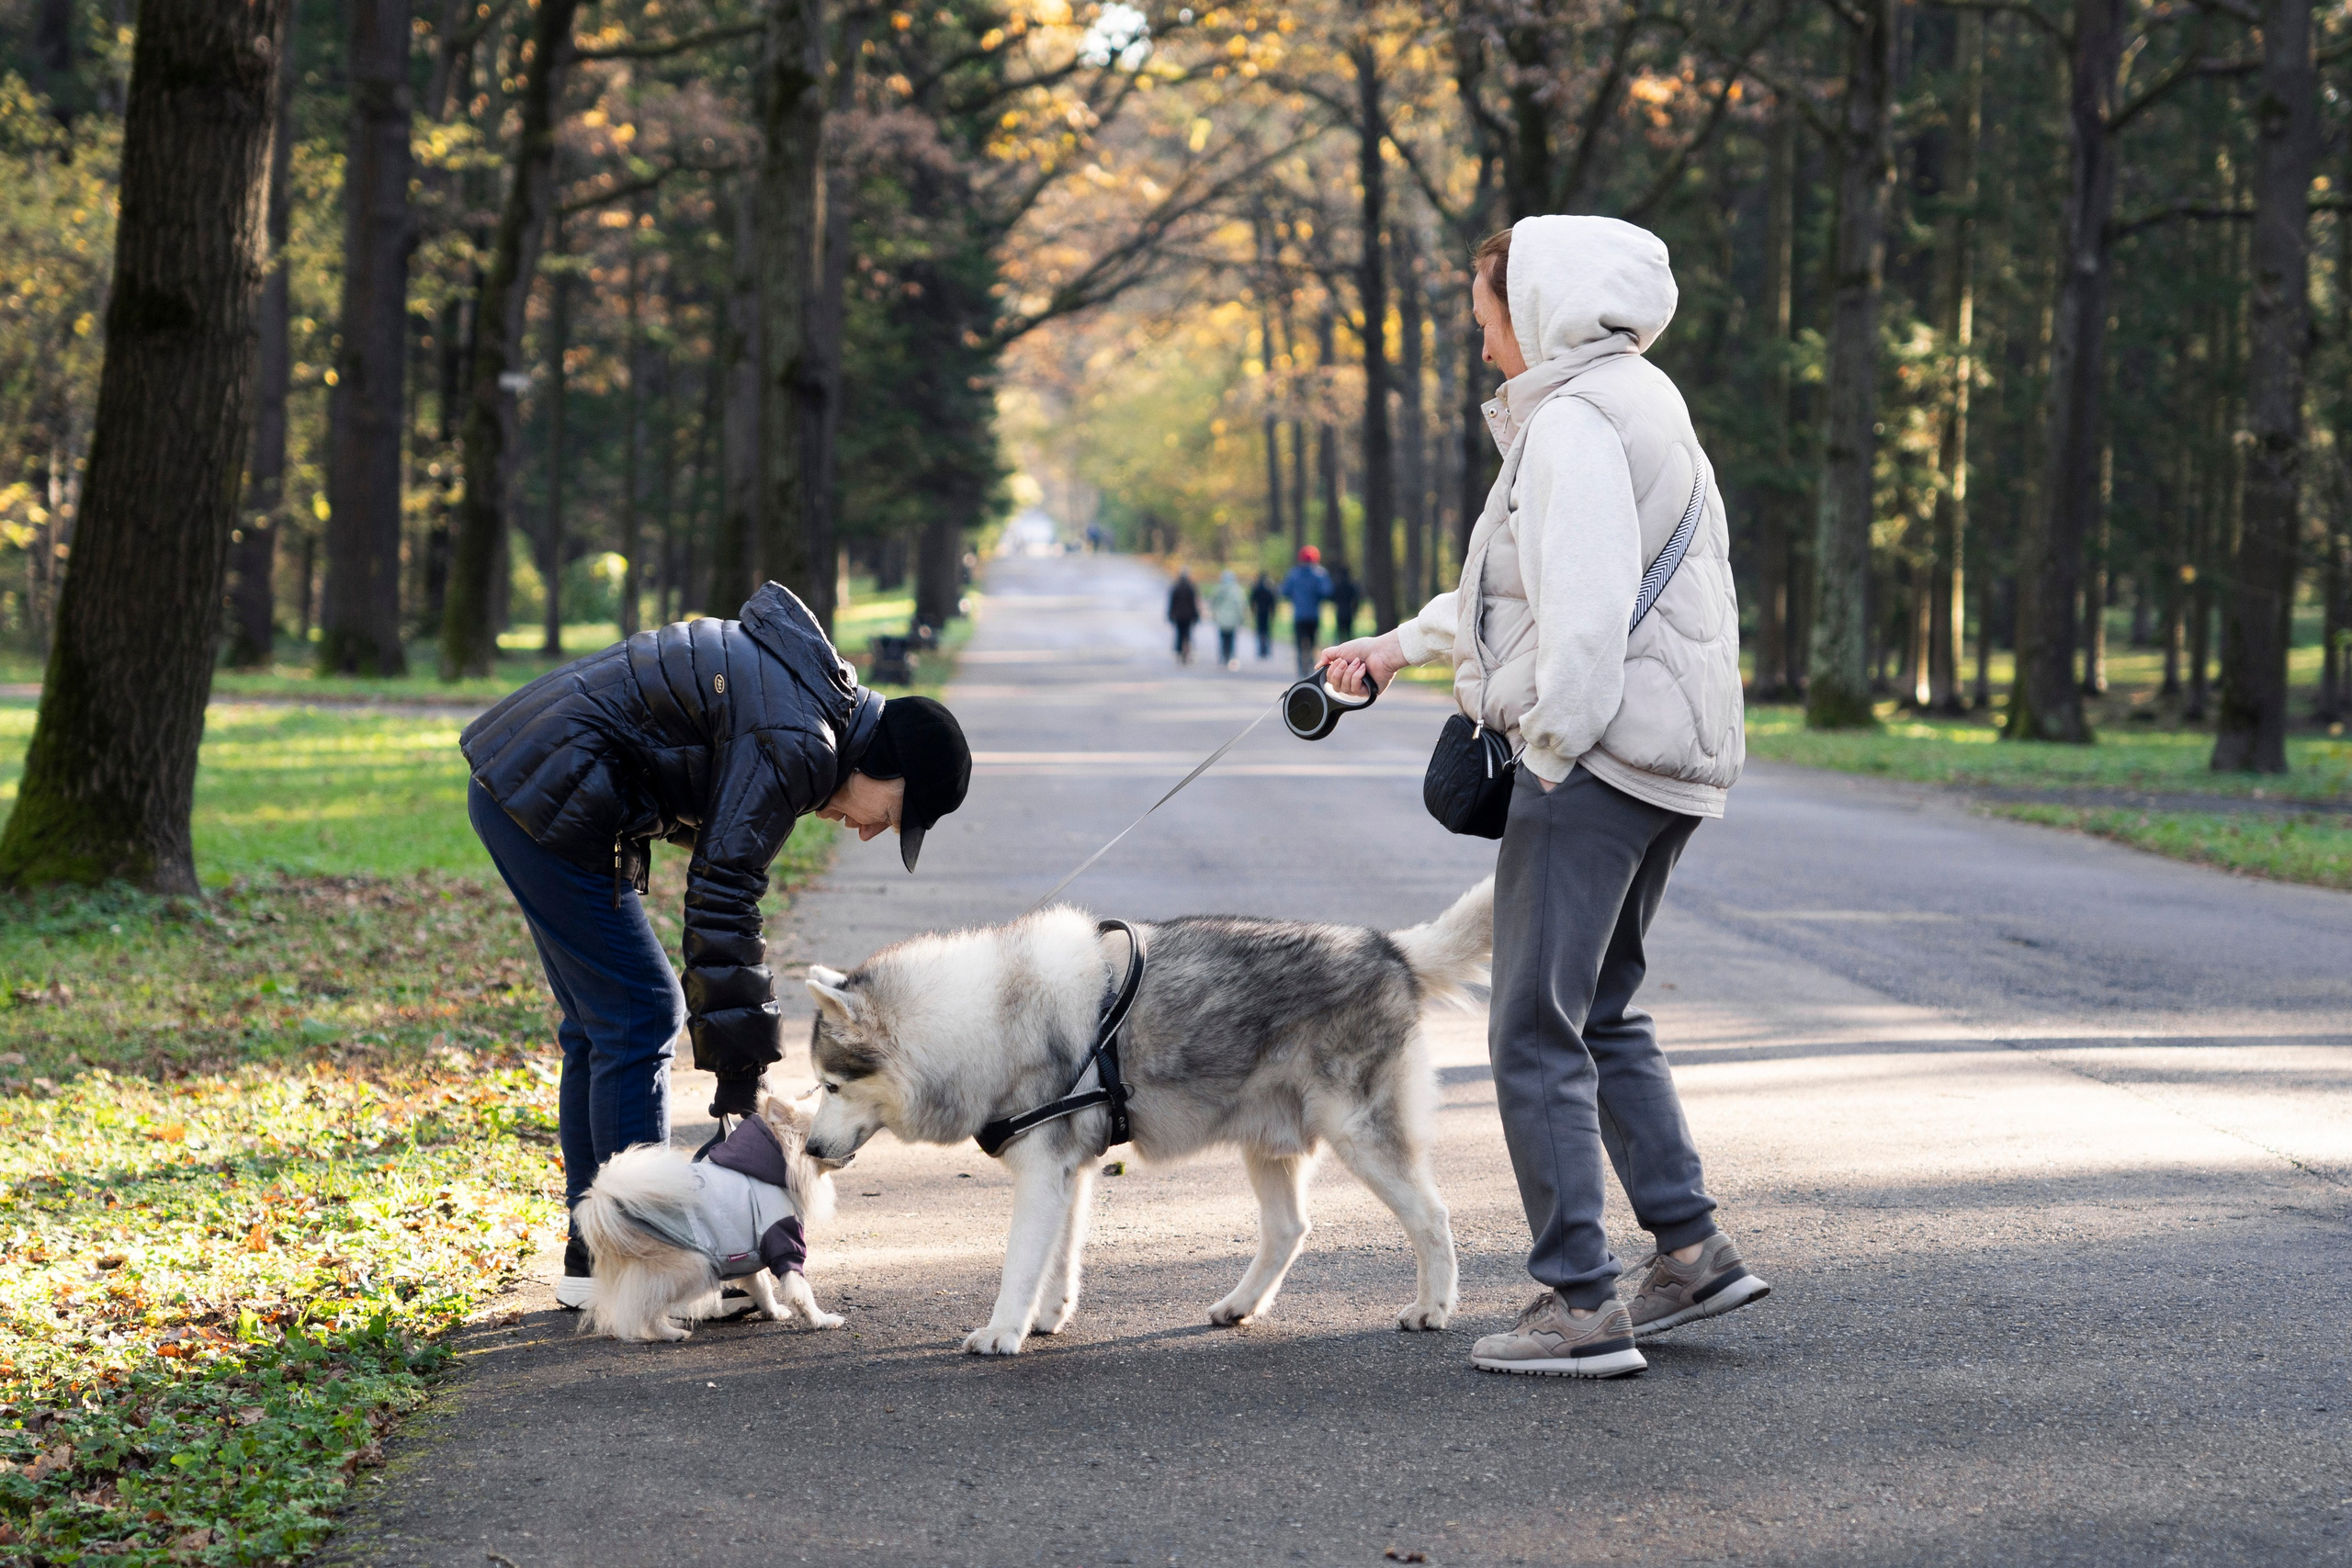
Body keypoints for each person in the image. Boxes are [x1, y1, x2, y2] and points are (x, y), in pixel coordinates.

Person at [1319, 216, 1758, 1380]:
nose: (1480, 346)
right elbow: (1522, 586)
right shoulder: (1638, 399)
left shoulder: (1569, 423)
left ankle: (1577, 1301)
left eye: (1485, 320)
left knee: (1531, 1027)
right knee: (1602, 1005)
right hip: (1671, 756)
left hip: (1598, 757)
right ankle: (1691, 1251)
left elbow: (1581, 607)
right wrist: (1401, 648)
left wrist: (1549, 752)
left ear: (1543, 305)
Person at [461, 582, 972, 1310]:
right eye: (887, 816)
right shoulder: (799, 740)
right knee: (639, 1012)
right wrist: (740, 1083)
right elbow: (724, 895)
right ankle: (645, 1256)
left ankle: (594, 1257)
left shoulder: (806, 711)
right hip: (544, 789)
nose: (865, 831)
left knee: (603, 1025)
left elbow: (721, 876)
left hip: (530, 780)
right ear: (884, 767)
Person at [1280, 546, 1332, 677]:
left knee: (1299, 645)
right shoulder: (1320, 574)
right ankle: (1311, 669)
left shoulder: (1294, 574)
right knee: (1313, 643)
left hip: (1299, 616)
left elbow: (1284, 591)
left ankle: (1301, 672)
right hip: (1314, 615)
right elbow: (1327, 592)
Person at [1209, 568, 1249, 669]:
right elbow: (1240, 605)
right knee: (1231, 639)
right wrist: (1242, 618)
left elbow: (1213, 603)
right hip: (1233, 619)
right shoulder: (1237, 590)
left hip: (1222, 618)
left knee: (1222, 638)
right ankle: (1231, 657)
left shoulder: (1219, 589)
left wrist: (1214, 614)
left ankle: (1223, 656)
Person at [1167, 568, 1201, 665]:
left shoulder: (1176, 587)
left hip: (1178, 616)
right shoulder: (1191, 587)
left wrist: (1170, 614)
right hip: (1189, 616)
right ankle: (1186, 652)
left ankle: (1180, 652)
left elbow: (1172, 603)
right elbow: (1194, 604)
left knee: (1179, 634)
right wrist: (1196, 615)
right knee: (1187, 635)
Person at [1249, 570, 1279, 660]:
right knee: (1267, 631)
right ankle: (1266, 650)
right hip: (1267, 612)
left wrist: (1253, 610)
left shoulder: (1257, 588)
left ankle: (1261, 650)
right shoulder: (1269, 588)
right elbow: (1272, 602)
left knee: (1260, 631)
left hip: (1259, 612)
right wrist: (1273, 613)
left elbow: (1252, 600)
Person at [1329, 562, 1362, 641]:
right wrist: (1355, 610)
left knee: (1340, 632)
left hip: (1340, 611)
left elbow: (1332, 597)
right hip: (1349, 611)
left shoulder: (1337, 585)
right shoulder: (1351, 584)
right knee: (1349, 633)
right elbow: (1356, 598)